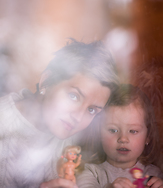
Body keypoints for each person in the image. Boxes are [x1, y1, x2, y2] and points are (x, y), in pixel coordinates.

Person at [0, 39, 118, 188]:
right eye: (74, 96)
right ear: (46, 82)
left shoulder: (71, 140)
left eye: (91, 110)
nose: (78, 118)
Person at [77, 84, 163, 188]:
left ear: (148, 136)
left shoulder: (155, 175)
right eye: (113, 130)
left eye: (133, 131)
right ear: (99, 134)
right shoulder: (90, 172)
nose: (123, 139)